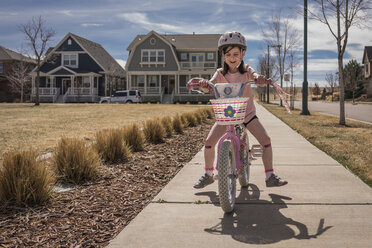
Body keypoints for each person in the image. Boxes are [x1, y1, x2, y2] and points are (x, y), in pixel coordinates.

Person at [193, 31, 288, 189]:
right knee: (209, 142)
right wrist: (204, 84)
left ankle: (270, 175)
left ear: (243, 53)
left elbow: (256, 76)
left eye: (236, 54)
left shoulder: (247, 71)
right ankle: (208, 174)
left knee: (266, 140)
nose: (232, 58)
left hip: (247, 114)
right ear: (223, 55)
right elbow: (209, 86)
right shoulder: (219, 73)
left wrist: (260, 79)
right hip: (226, 116)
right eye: (228, 54)